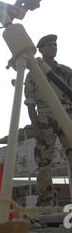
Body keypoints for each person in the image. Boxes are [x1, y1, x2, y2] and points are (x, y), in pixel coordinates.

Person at [24, 34, 72, 206]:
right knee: (44, 160)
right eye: (50, 45)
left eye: (55, 44)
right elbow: (30, 104)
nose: (54, 47)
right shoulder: (33, 75)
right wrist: (36, 127)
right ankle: (44, 200)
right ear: (41, 50)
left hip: (67, 115)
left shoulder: (66, 72)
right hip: (45, 118)